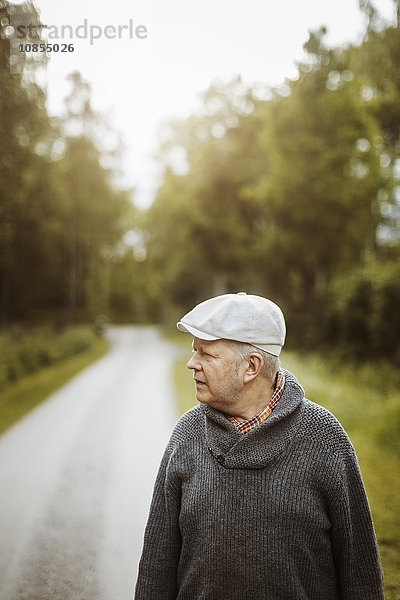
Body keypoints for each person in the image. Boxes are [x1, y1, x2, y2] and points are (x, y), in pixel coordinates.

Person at [134, 292, 384, 600]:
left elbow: (360, 572)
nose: (191, 364)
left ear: (251, 367)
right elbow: (155, 569)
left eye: (207, 355)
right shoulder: (187, 434)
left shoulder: (325, 437)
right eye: (194, 351)